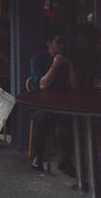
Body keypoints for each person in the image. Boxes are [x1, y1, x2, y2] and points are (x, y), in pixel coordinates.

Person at [29, 26, 78, 175]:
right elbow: (42, 85)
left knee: (70, 120)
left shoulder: (68, 58)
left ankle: (66, 161)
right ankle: (37, 156)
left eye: (64, 42)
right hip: (42, 103)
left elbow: (75, 86)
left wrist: (70, 66)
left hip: (63, 103)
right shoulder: (37, 59)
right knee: (43, 117)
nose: (62, 45)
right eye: (59, 42)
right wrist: (55, 64)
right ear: (49, 43)